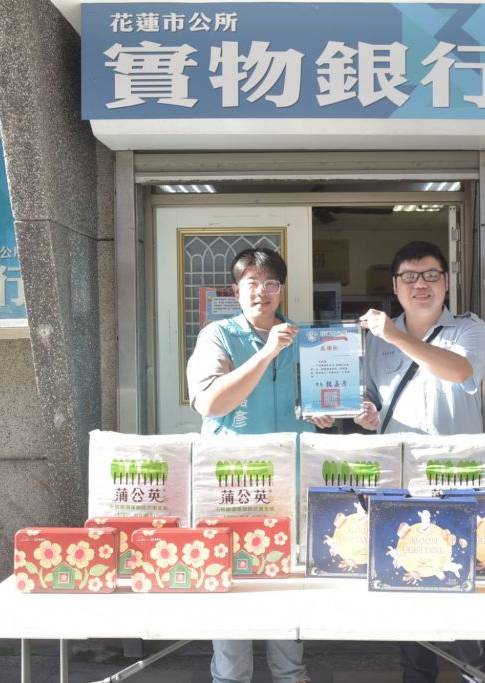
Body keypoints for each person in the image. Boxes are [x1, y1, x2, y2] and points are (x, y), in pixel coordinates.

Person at [187, 247, 330, 683]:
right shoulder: (217, 335)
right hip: (232, 485)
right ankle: (230, 678)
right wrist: (266, 352)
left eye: (271, 283)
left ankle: (290, 675)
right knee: (231, 581)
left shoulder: (304, 338)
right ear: (236, 290)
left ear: (281, 289)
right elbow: (211, 403)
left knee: (288, 582)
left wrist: (325, 411)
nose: (261, 291)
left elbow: (321, 395)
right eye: (252, 282)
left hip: (290, 481)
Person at [355, 240, 485, 683]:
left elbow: (460, 372)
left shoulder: (468, 328)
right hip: (403, 484)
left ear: (446, 282)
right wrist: (367, 413)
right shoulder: (375, 341)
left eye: (431, 275)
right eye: (410, 277)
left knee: (467, 583)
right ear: (396, 286)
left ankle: (476, 674)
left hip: (460, 483)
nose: (421, 285)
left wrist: (395, 336)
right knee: (408, 583)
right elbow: (372, 398)